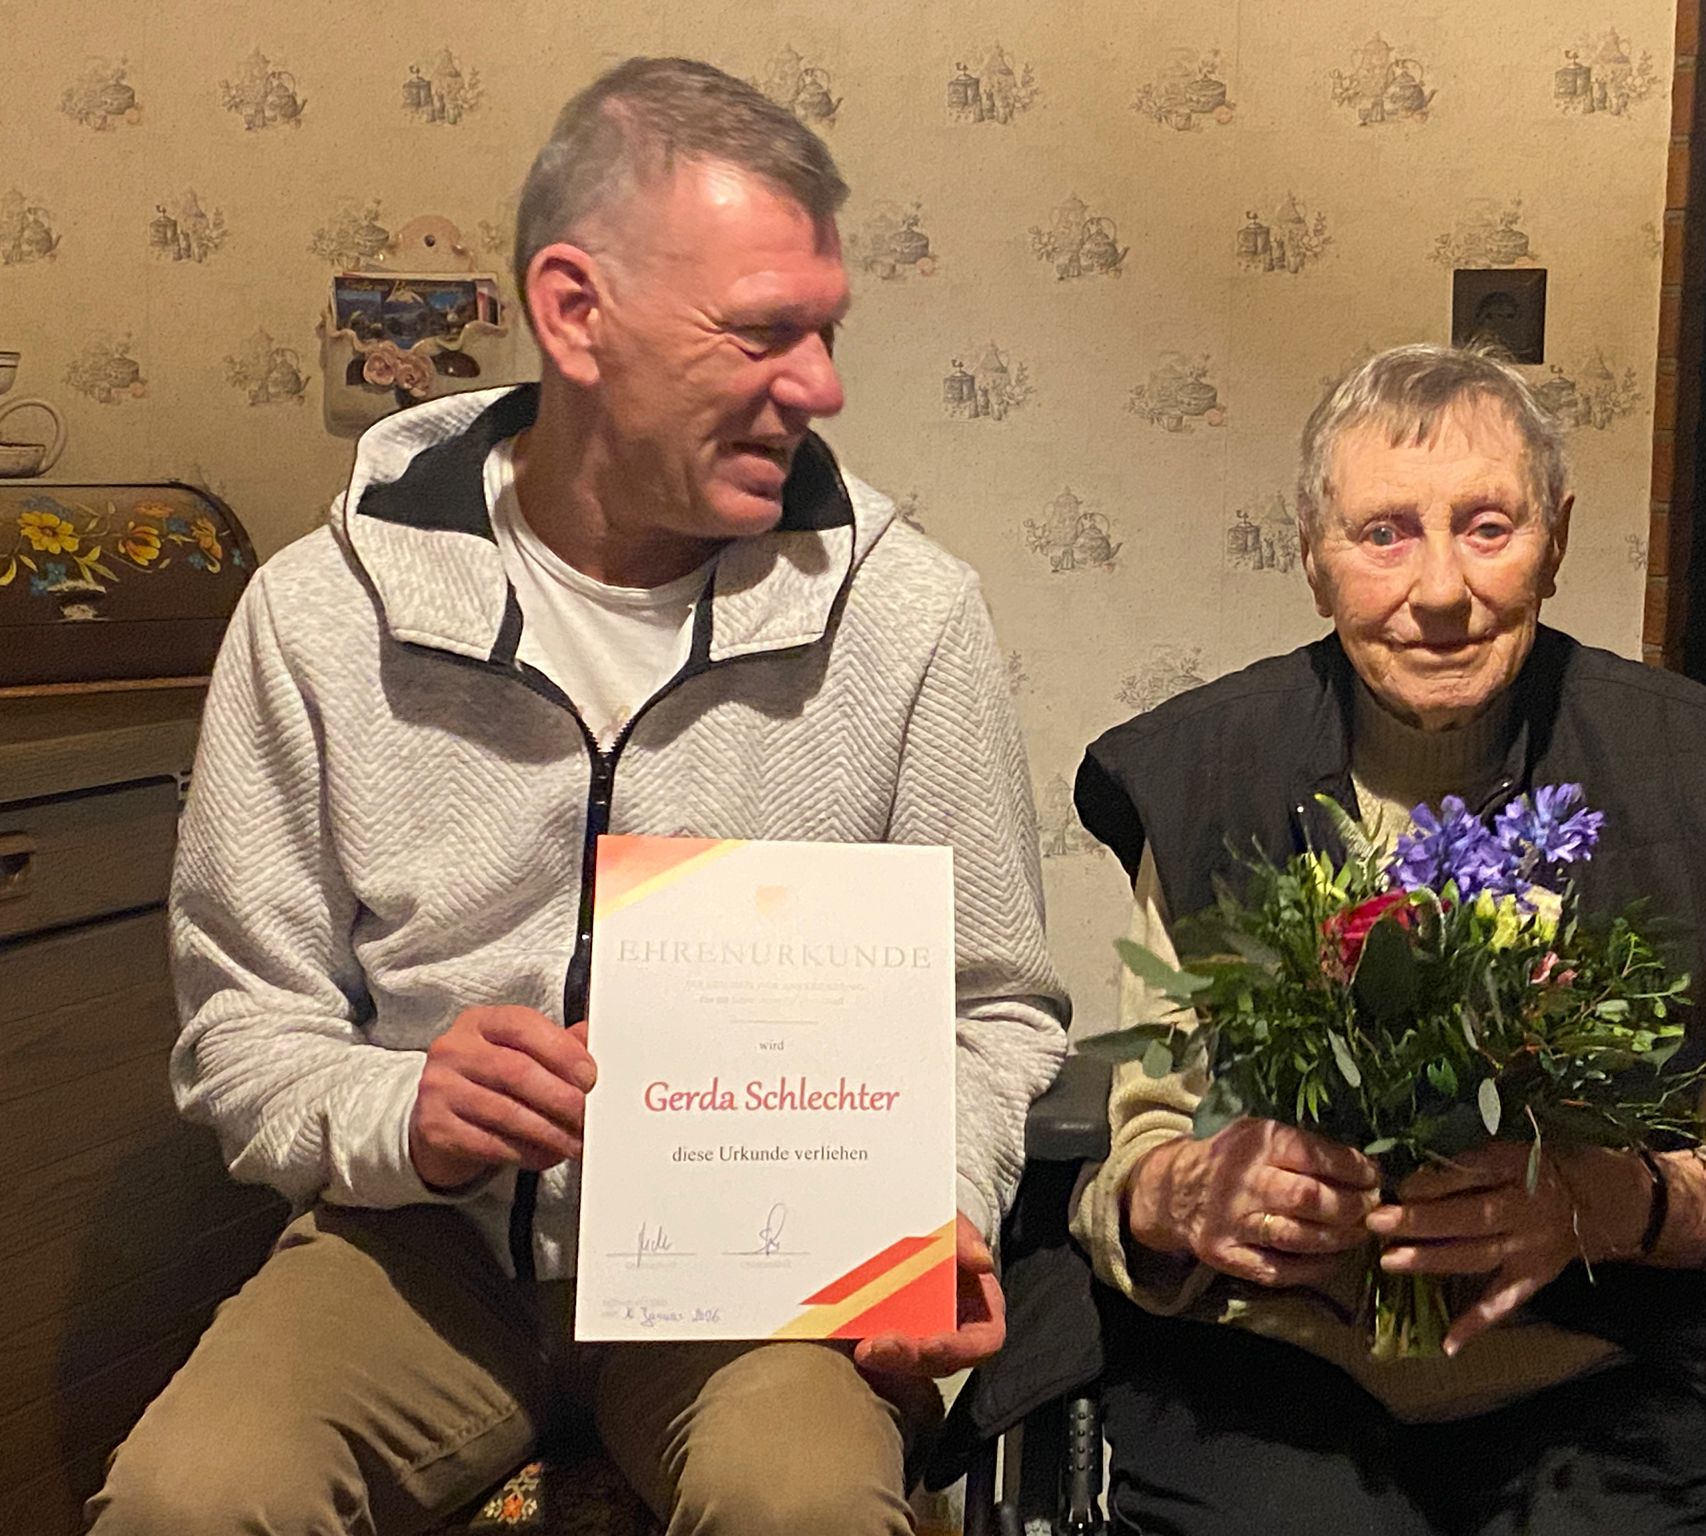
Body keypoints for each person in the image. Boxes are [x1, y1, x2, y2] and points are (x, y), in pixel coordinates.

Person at [87, 57, 1068, 1536]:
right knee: (190, 1500)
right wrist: (404, 1111)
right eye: (764, 332)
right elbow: (242, 1030)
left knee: (805, 1504)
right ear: (573, 311)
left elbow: (991, 1010)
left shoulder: (906, 616)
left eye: (827, 333)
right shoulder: (320, 611)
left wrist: (933, 1213)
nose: (822, 387)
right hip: (422, 1249)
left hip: (756, 1281)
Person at [1062, 344, 1706, 1535]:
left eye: (1486, 527)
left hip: (1610, 1356)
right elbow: (1140, 1151)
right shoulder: (1207, 773)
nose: (1437, 589)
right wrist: (1186, 1196)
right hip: (1283, 1367)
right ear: (1312, 558)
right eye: (1382, 534)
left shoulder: (1695, 773)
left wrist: (1625, 1205)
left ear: (1555, 539)